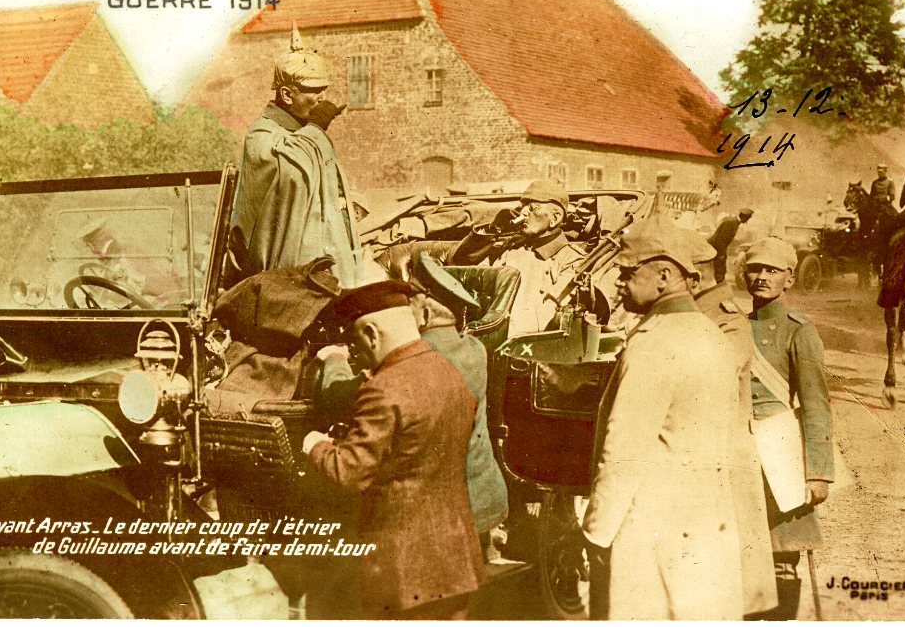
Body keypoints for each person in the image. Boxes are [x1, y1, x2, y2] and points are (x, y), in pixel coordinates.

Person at [581, 217, 743, 620]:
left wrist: (596, 531)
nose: (619, 282)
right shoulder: (708, 333)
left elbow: (624, 450)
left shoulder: (655, 344)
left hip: (651, 525)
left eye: (628, 272)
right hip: (706, 520)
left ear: (665, 275)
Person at [302, 280, 485, 619]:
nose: (359, 355)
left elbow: (348, 471)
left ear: (371, 333)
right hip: (455, 558)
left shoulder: (384, 389)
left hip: (403, 570)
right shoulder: (449, 372)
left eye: (358, 344)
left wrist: (315, 445)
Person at [314, 253, 508, 541]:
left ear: (426, 314)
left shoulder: (410, 366)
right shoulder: (475, 349)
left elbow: (338, 398)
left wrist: (333, 361)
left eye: (409, 302)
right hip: (484, 501)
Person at [686, 227, 778, 617]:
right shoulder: (699, 311)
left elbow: (712, 378)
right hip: (702, 454)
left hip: (721, 454)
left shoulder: (725, 318)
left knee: (727, 578)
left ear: (698, 274)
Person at [227, 25, 363, 288]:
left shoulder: (304, 133)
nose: (323, 98)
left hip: (330, 270)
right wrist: (317, 126)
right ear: (287, 94)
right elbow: (292, 170)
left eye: (324, 89)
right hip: (292, 279)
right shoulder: (262, 134)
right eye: (314, 91)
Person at [743, 237, 834, 621]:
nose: (761, 277)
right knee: (739, 556)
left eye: (771, 270)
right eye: (754, 269)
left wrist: (818, 473)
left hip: (777, 457)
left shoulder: (799, 330)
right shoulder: (732, 326)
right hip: (738, 453)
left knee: (782, 558)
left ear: (789, 279)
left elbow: (816, 405)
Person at [450, 179, 585, 335]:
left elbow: (548, 319)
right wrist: (494, 228)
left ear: (555, 218)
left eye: (533, 208)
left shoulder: (572, 260)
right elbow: (462, 262)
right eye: (522, 207)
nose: (523, 212)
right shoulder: (511, 247)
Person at [707, 207, 754, 284]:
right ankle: (720, 287)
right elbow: (721, 239)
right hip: (716, 247)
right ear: (744, 217)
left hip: (717, 247)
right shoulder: (731, 222)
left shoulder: (733, 221)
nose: (747, 221)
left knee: (720, 269)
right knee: (720, 270)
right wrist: (721, 254)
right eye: (748, 218)